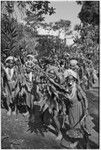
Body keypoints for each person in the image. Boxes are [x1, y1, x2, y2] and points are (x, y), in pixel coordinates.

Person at [63, 69, 95, 148]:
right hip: (71, 109)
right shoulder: (67, 88)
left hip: (78, 108)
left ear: (74, 80)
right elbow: (67, 100)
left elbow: (84, 98)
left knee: (80, 126)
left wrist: (86, 109)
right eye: (68, 79)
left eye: (71, 79)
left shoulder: (77, 87)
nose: (70, 80)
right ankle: (77, 140)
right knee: (72, 125)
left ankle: (81, 143)